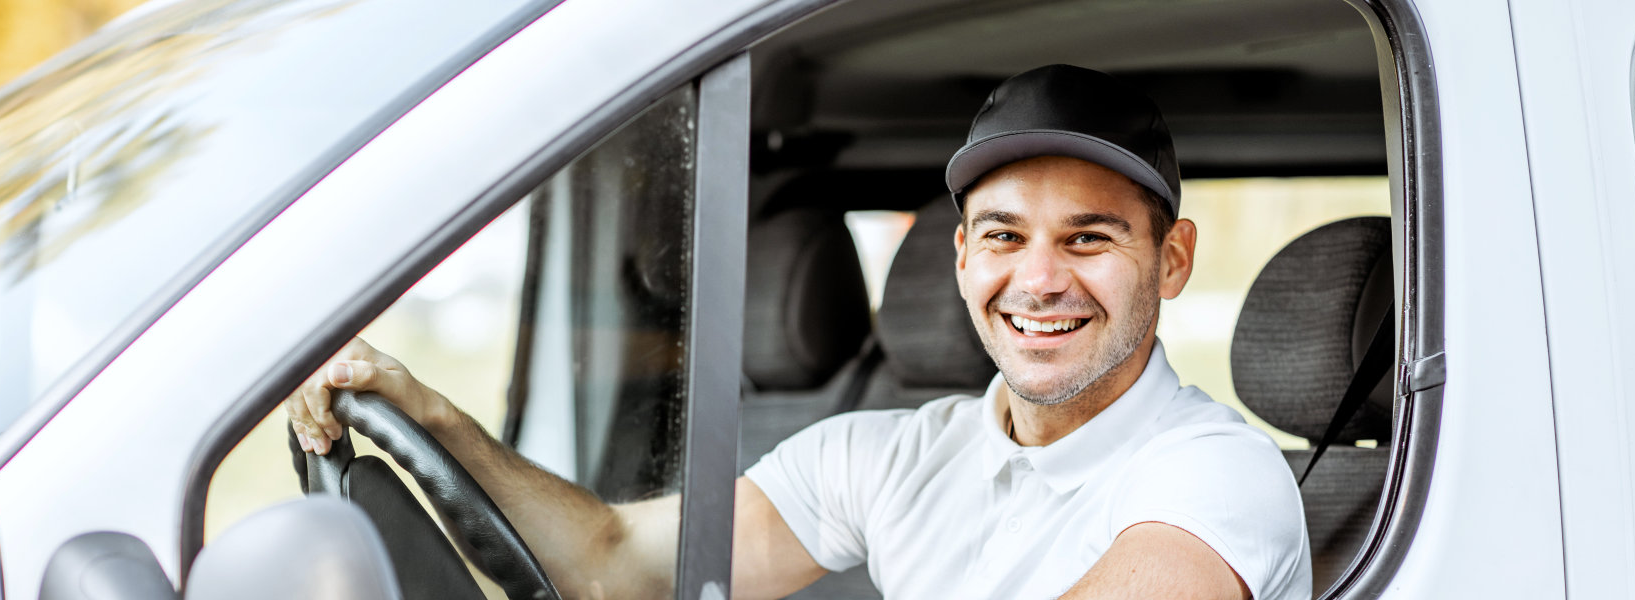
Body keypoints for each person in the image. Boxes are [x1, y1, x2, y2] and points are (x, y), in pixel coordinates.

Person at [286, 64, 1311, 599]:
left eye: (1090, 239)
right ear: (961, 260)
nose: (1038, 279)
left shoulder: (1217, 474)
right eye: (1003, 236)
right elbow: (609, 563)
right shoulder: (896, 456)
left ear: (1171, 261)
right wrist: (427, 412)